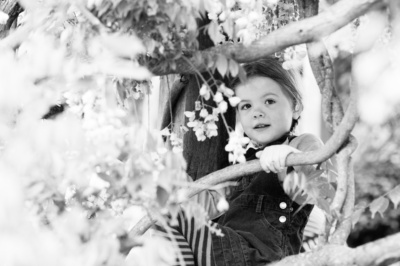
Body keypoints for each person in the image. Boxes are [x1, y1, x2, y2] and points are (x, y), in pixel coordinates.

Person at [155, 57, 333, 266]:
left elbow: (316, 189)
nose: (257, 112)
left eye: (269, 101)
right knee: (165, 212)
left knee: (171, 216)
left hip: (258, 257)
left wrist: (286, 157)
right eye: (246, 106)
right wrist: (177, 178)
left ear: (296, 107)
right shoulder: (241, 161)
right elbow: (212, 206)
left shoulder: (303, 144)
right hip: (224, 251)